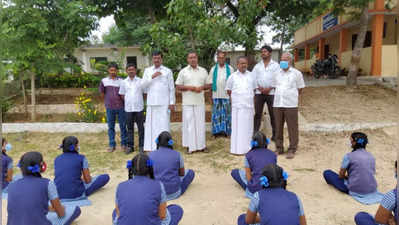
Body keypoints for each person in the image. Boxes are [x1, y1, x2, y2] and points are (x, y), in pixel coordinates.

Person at [7, 151, 81, 225]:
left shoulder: (11, 185)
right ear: (41, 166)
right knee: (75, 210)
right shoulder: (48, 183)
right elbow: (61, 213)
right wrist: (59, 209)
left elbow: (23, 206)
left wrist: (49, 208)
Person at [113, 153, 184, 225]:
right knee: (176, 209)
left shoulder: (120, 186)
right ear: (150, 168)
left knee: (115, 212)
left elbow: (119, 214)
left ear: (131, 168)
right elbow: (162, 216)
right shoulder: (158, 185)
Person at [323, 132, 384, 205]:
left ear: (354, 143)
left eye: (351, 140)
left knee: (327, 173)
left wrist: (347, 177)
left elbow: (341, 175)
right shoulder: (371, 156)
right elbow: (370, 173)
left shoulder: (348, 156)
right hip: (372, 189)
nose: (350, 142)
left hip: (355, 190)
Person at [237, 164, 307, 225]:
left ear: (263, 180)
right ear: (283, 179)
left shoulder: (258, 196)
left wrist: (265, 218)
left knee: (242, 219)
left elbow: (249, 220)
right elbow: (303, 223)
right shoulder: (295, 197)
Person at [273, 52, 305, 159]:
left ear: (290, 61)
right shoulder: (277, 73)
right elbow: (274, 86)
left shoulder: (297, 74)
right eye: (281, 59)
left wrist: (291, 96)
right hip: (278, 103)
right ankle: (279, 148)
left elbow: (300, 88)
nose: (283, 61)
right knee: (278, 126)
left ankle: (292, 149)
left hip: (290, 104)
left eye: (285, 59)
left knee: (292, 127)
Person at [175, 51, 208, 154]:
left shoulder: (203, 71)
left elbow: (209, 85)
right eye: (190, 58)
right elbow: (178, 86)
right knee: (189, 125)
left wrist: (201, 87)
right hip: (188, 102)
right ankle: (190, 147)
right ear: (187, 59)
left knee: (200, 125)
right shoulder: (183, 72)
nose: (193, 59)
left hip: (199, 102)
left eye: (194, 57)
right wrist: (190, 88)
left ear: (197, 58)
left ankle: (201, 146)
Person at [142, 51, 176, 152]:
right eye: (154, 58)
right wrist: (152, 76)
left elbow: (171, 88)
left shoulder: (167, 71)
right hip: (152, 103)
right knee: (151, 126)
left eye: (158, 58)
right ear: (152, 59)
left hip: (164, 103)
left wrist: (172, 102)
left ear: (161, 59)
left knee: (164, 125)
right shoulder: (147, 71)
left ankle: (165, 146)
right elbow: (142, 85)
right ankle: (151, 146)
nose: (156, 60)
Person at [149, 131, 195, 200]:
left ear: (157, 142)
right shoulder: (177, 154)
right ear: (171, 143)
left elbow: (149, 174)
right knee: (190, 172)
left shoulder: (151, 155)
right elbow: (182, 174)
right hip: (174, 193)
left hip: (156, 193)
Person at [225, 56, 257, 155]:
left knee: (248, 128)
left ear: (247, 64)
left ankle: (248, 149)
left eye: (245, 63)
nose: (243, 65)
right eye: (241, 63)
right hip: (237, 107)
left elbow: (254, 90)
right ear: (237, 65)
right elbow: (229, 91)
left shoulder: (252, 76)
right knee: (237, 129)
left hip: (248, 107)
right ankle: (236, 149)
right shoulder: (232, 76)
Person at [231, 132, 277, 198]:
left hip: (256, 189)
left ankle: (253, 189)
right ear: (266, 142)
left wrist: (252, 184)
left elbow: (248, 176)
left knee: (235, 172)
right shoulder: (273, 154)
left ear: (253, 143)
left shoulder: (249, 155)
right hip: (272, 187)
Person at [252, 45, 280, 140]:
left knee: (273, 114)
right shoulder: (257, 66)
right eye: (262, 52)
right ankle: (255, 134)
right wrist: (259, 88)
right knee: (257, 114)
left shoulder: (276, 65)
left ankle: (275, 135)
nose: (263, 53)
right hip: (259, 94)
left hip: (271, 93)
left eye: (265, 51)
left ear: (270, 53)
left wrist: (270, 88)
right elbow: (253, 79)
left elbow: (278, 78)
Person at [99, 62, 128, 152]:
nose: (113, 72)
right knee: (111, 127)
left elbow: (125, 93)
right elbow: (102, 93)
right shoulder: (104, 81)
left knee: (123, 126)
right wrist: (107, 102)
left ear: (117, 71)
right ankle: (112, 145)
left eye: (114, 70)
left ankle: (124, 144)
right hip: (110, 107)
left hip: (121, 107)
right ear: (108, 70)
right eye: (111, 70)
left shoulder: (122, 81)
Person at [206, 50, 234, 138]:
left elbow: (233, 84)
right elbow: (210, 83)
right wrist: (209, 97)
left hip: (226, 96)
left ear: (225, 58)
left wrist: (232, 97)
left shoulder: (230, 69)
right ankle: (216, 133)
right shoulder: (213, 69)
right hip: (216, 96)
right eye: (219, 57)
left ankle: (227, 132)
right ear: (217, 58)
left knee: (227, 114)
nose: (221, 59)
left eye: (222, 57)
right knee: (216, 115)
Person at [119, 63, 145, 154]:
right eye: (129, 69)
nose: (131, 71)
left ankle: (142, 146)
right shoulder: (123, 82)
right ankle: (130, 147)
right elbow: (122, 94)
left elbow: (144, 93)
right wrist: (129, 101)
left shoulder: (141, 81)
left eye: (132, 69)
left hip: (139, 108)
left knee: (141, 128)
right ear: (126, 71)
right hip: (128, 109)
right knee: (129, 128)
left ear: (135, 70)